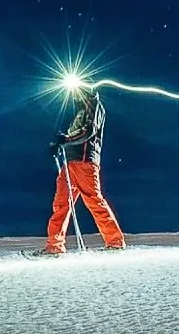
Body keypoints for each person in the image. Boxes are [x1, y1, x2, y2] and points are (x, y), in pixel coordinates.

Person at [34, 85, 126, 255]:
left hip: (84, 162)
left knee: (93, 200)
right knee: (61, 204)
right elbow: (75, 134)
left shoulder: (93, 104)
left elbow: (88, 131)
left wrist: (67, 139)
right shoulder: (81, 110)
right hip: (70, 163)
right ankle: (55, 246)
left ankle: (115, 242)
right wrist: (59, 145)